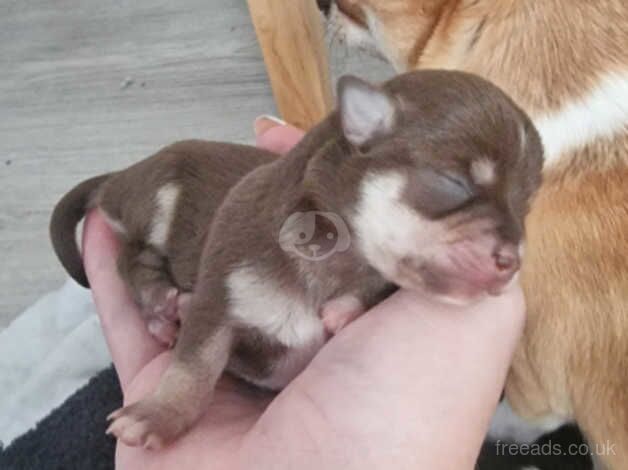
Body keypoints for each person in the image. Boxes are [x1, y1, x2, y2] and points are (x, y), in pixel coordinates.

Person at [82, 117, 525, 469]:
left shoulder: (386, 261)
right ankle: (143, 272)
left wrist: (360, 299)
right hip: (182, 188)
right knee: (173, 200)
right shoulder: (293, 225)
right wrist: (173, 403)